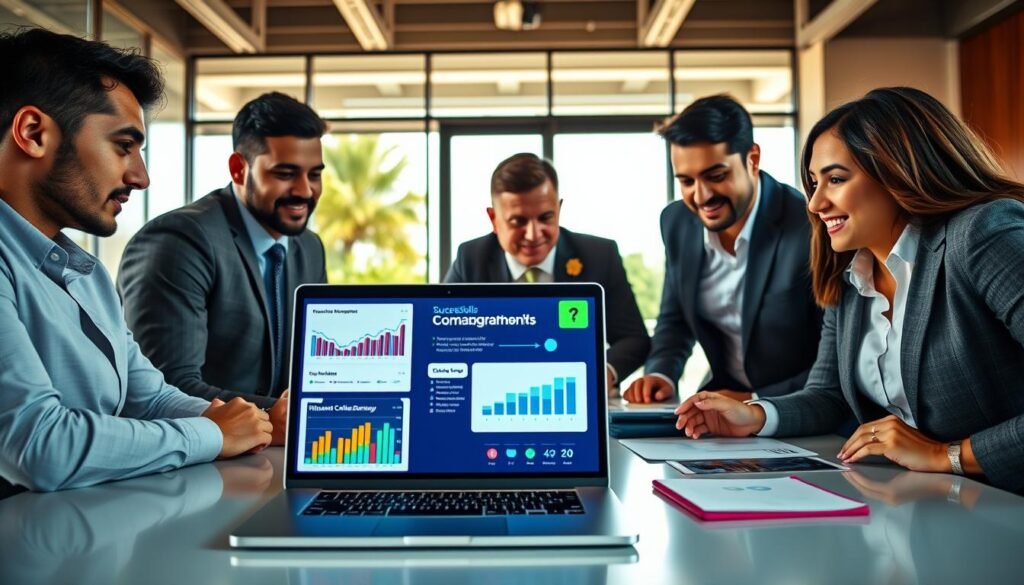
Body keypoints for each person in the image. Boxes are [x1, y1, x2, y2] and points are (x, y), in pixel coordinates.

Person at [674, 87, 1024, 494]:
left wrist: (947, 454)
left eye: (836, 179)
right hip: (925, 503)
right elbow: (829, 396)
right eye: (813, 183)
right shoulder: (852, 271)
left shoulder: (982, 235)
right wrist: (755, 415)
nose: (815, 203)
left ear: (897, 170)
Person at [0, 28, 271, 493]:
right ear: (33, 133)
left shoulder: (84, 274)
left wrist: (255, 424)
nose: (140, 176)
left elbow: (147, 396)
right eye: (123, 146)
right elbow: (37, 444)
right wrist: (213, 433)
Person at [118, 92, 328, 445]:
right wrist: (285, 415)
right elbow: (168, 384)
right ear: (239, 169)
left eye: (315, 174)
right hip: (199, 462)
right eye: (285, 173)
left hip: (279, 454)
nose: (305, 191)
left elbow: (313, 369)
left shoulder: (309, 247)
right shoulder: (179, 241)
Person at [623, 95, 822, 404]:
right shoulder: (676, 222)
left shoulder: (809, 228)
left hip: (797, 407)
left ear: (752, 159)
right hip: (720, 401)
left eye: (716, 176)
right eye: (686, 181)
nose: (701, 196)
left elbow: (835, 361)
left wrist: (754, 401)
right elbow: (674, 321)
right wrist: (660, 374)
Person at [445, 153, 650, 392]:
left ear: (558, 209)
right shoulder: (471, 258)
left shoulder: (600, 254)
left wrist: (601, 372)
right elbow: (440, 338)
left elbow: (633, 339)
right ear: (494, 219)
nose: (533, 234)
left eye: (545, 217)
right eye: (518, 221)